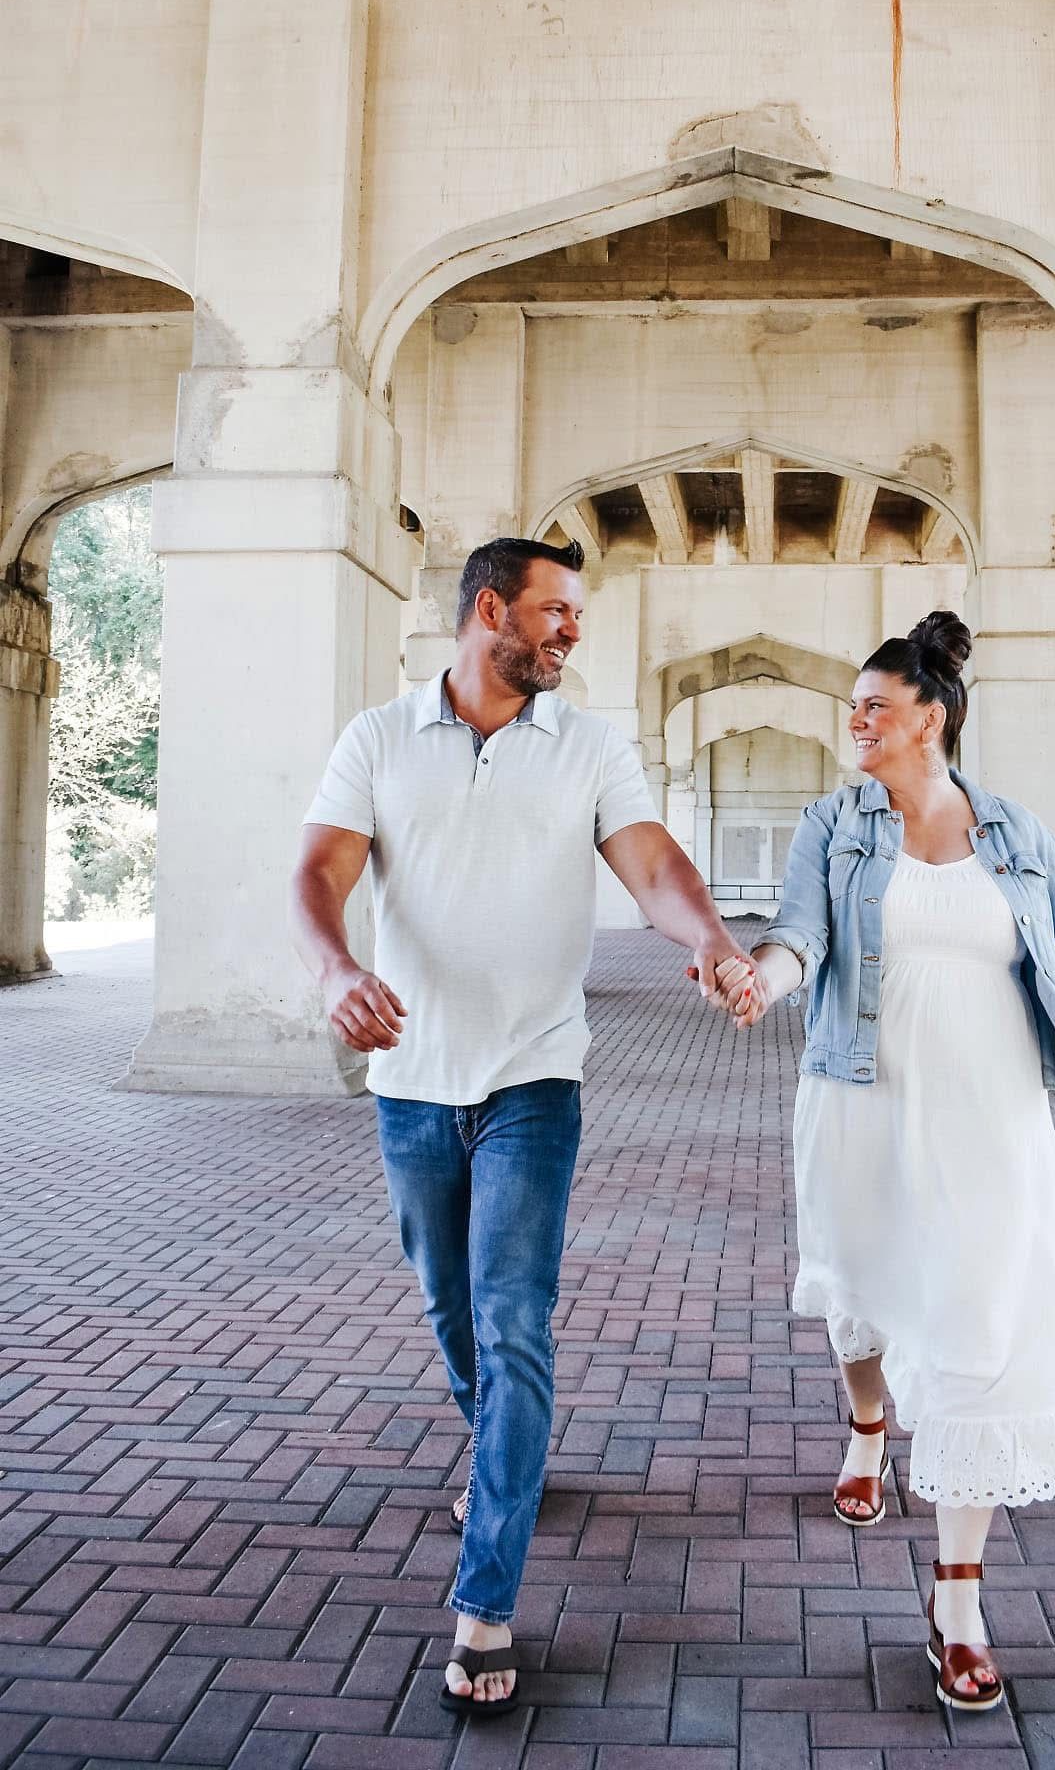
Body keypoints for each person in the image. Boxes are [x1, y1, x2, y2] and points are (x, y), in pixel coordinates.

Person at [290, 536, 752, 1719]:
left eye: (580, 613)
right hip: (412, 1089)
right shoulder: (378, 739)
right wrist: (336, 964)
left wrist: (704, 934)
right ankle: (507, 1447)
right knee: (454, 1313)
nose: (571, 630)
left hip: (535, 1083)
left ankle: (484, 1599)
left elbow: (650, 862)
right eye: (555, 610)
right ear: (488, 608)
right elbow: (319, 872)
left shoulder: (591, 744)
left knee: (513, 1320)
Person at [704, 610, 1055, 1714]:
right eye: (853, 707)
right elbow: (800, 936)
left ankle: (957, 1602)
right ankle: (866, 1422)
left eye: (874, 707)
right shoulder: (834, 823)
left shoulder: (1021, 835)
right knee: (865, 1295)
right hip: (863, 1101)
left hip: (992, 1123)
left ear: (929, 717)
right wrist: (760, 977)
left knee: (983, 1334)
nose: (856, 722)